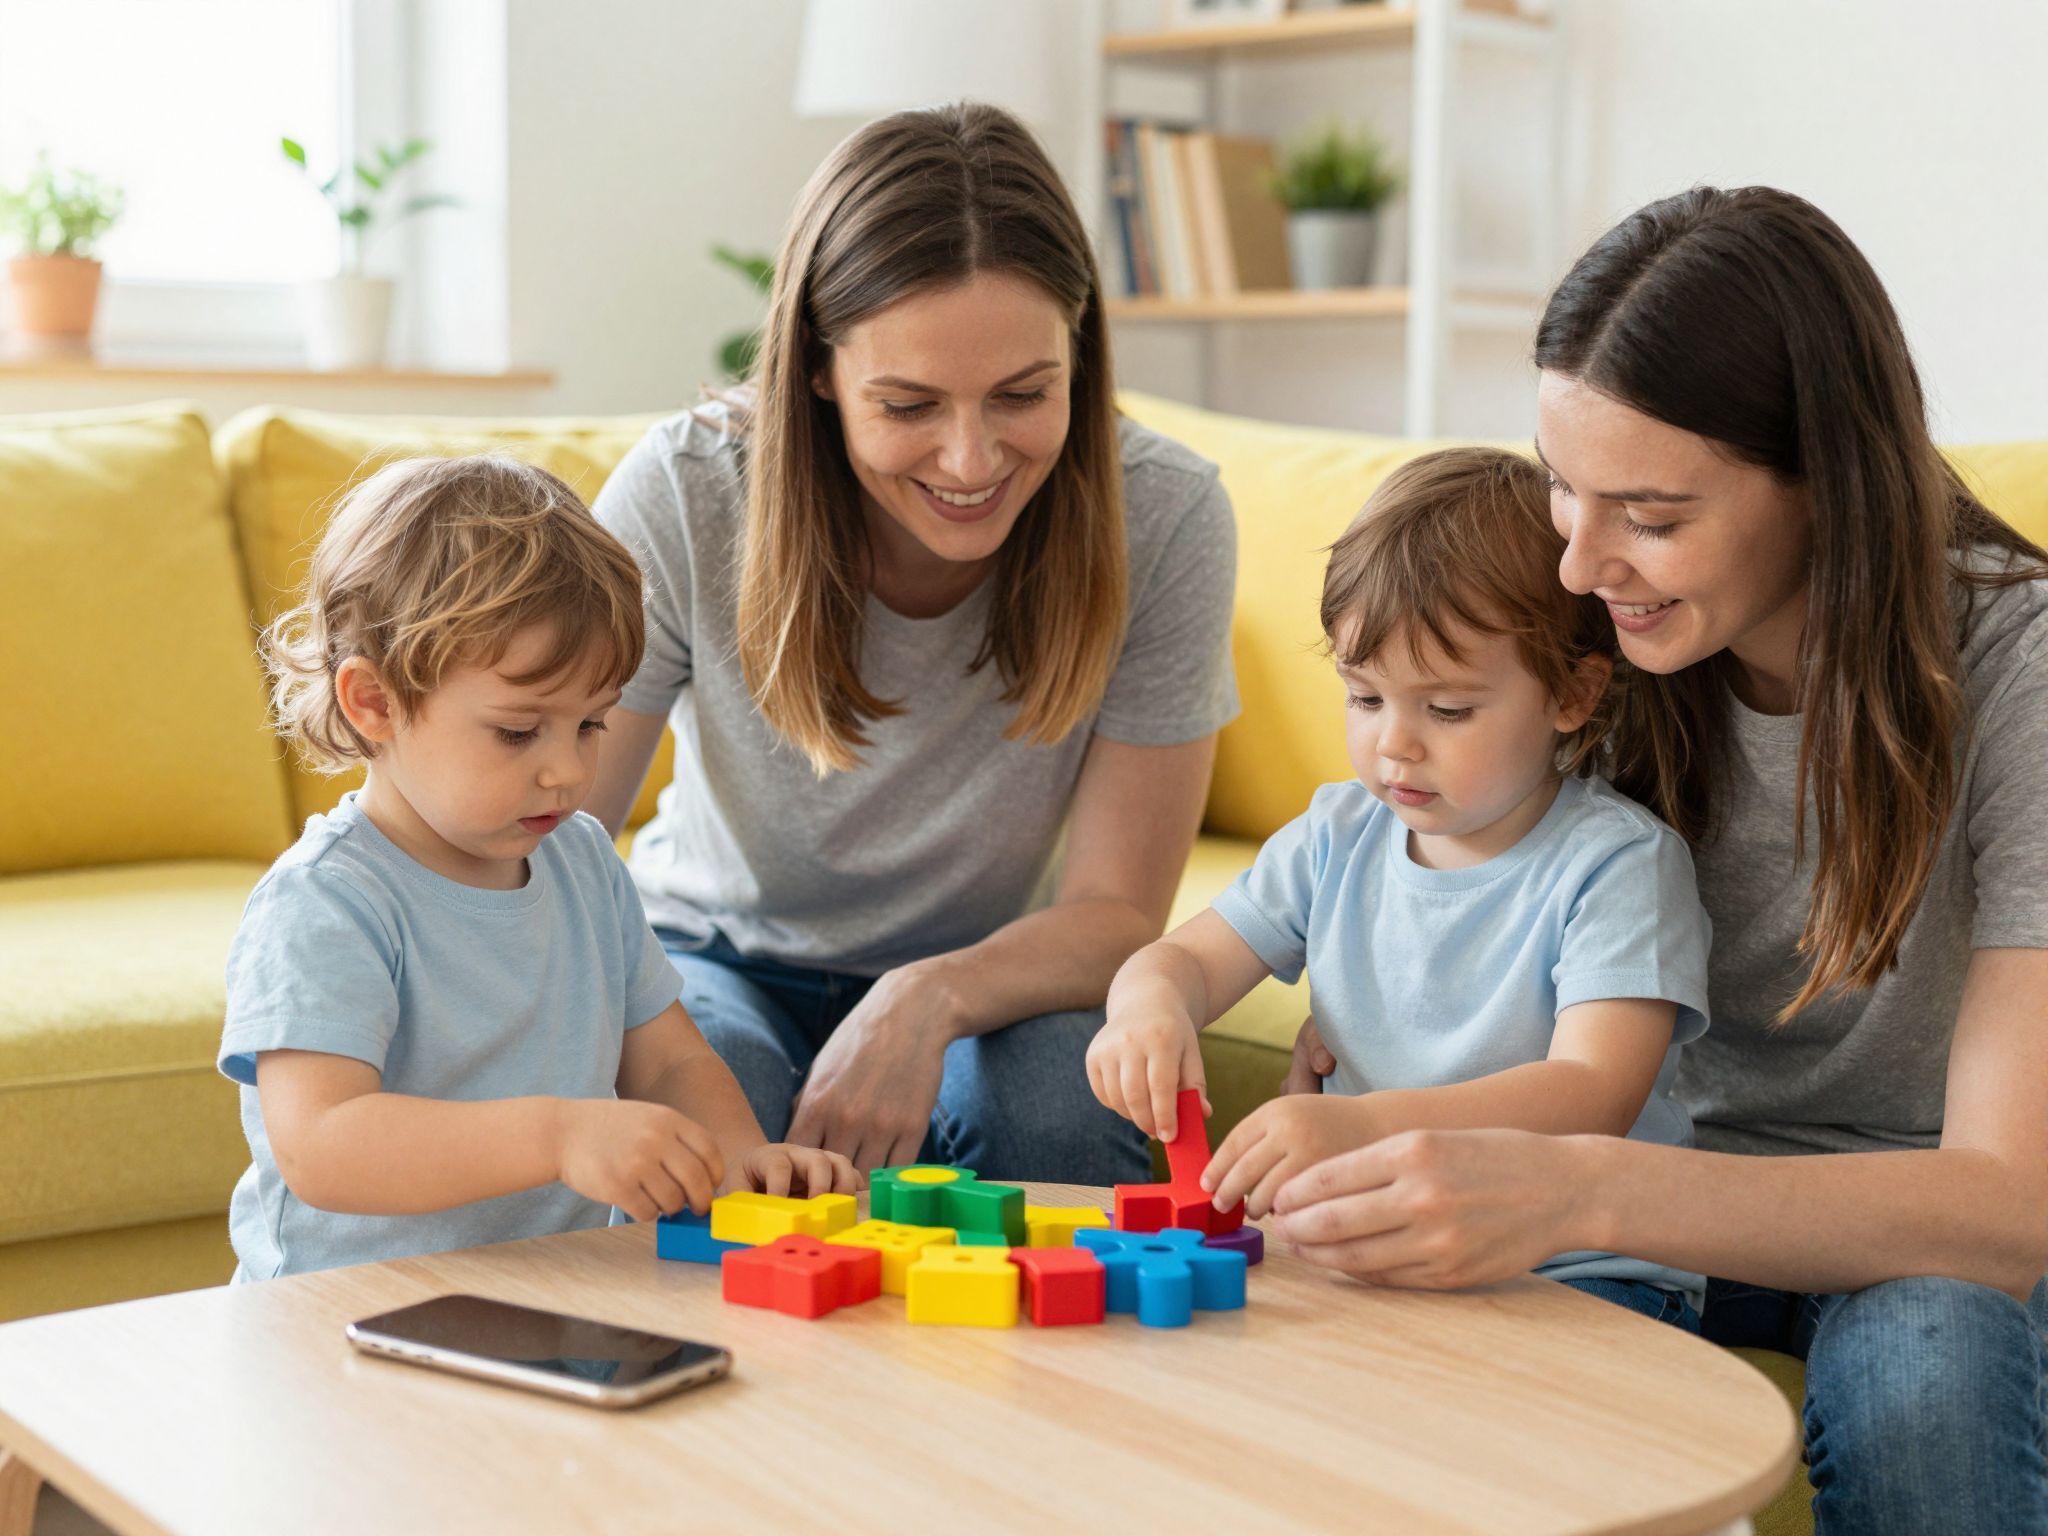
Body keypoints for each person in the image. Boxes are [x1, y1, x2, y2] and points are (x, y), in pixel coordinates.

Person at [1270, 188, 2048, 1532]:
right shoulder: (1600, 646)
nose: (1578, 561)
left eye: (1646, 512)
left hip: (1902, 1215)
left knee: (1930, 1388)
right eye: (1564, 487)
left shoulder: (2017, 669)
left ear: (1825, 486)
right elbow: (1434, 862)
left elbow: (2001, 1210)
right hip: (1644, 1169)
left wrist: (1573, 1183)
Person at [585, 103, 1237, 1181]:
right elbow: (554, 840)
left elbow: (1117, 913)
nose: (971, 459)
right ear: (817, 372)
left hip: (998, 980)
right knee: (699, 1134)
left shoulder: (1162, 514)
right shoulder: (685, 494)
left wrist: (925, 997)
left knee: (1058, 1124)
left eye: (1023, 394)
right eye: (907, 404)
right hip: (712, 957)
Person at [1086, 448, 1712, 1327]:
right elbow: (1184, 959)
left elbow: (1593, 1091)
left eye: (1447, 710)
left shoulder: (1617, 865)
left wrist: (1367, 1126)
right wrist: (1146, 1008)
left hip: (1573, 1264)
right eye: (1364, 697)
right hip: (1368, 1246)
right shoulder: (1338, 835)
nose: (1395, 746)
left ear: (1572, 695)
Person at [220, 455, 856, 1280]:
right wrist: (557, 1135)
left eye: (591, 723)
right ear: (373, 702)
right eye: (519, 732)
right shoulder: (327, 901)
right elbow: (321, 1146)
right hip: (340, 1327)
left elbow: (667, 1062)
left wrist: (741, 1160)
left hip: (544, 1296)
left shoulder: (582, 860)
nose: (566, 770)